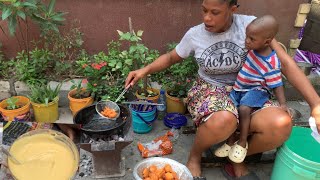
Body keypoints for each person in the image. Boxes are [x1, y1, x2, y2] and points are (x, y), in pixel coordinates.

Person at [125, 0, 320, 179]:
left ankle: (236, 156)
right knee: (225, 119)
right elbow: (170, 57)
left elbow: (284, 63)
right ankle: (195, 156)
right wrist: (145, 70)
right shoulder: (195, 34)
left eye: (215, 12)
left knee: (281, 124)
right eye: (204, 10)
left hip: (250, 89)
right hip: (209, 89)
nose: (207, 18)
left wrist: (315, 104)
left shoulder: (251, 26)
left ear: (232, 8)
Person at [214, 15, 289, 164]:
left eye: (252, 39)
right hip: (240, 88)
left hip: (257, 90)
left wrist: (283, 104)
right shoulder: (253, 49)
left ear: (267, 42)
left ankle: (242, 142)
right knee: (230, 109)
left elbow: (277, 84)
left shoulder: (271, 62)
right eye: (247, 37)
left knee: (243, 109)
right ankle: (230, 140)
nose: (247, 41)